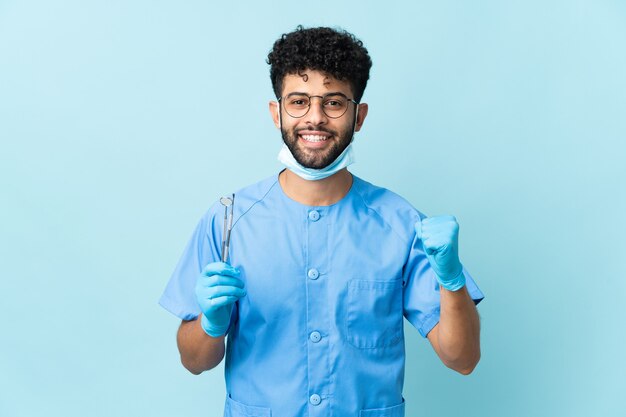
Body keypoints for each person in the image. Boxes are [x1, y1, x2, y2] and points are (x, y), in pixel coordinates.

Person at [159, 25, 484, 417]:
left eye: (333, 103)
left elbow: (462, 358)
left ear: (358, 115)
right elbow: (194, 361)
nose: (315, 118)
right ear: (276, 111)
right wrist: (211, 324)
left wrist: (452, 281)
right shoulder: (229, 221)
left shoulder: (400, 223)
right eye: (298, 101)